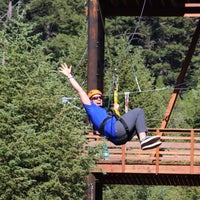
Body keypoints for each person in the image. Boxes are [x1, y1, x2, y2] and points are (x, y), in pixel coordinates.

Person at [58, 63, 162, 150]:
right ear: (90, 100)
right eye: (95, 98)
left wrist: (116, 112)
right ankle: (143, 139)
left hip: (119, 139)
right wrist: (69, 75)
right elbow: (79, 90)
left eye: (100, 97)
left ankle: (144, 141)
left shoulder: (103, 112)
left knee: (136, 124)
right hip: (117, 133)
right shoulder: (90, 108)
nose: (98, 99)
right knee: (138, 111)